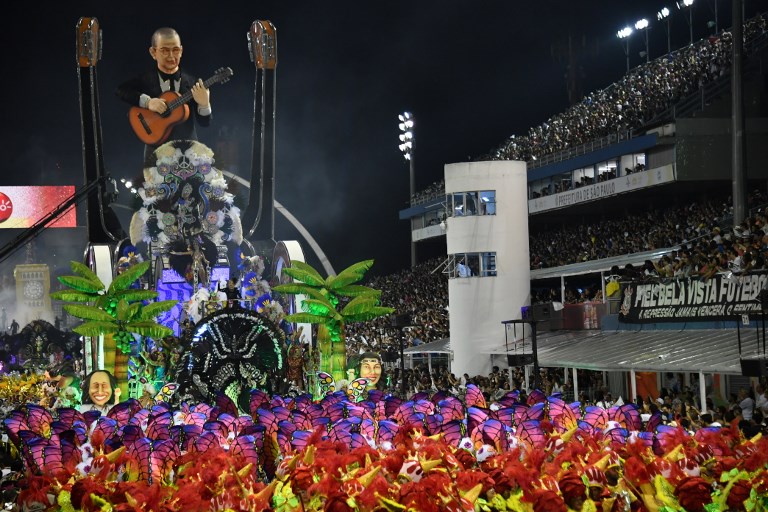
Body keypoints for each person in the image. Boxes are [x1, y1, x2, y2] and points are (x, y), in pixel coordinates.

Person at [116, 27, 212, 161]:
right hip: (155, 154)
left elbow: (204, 123)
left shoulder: (193, 83)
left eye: (175, 50)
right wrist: (148, 102)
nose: (171, 56)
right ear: (153, 52)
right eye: (165, 51)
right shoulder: (145, 79)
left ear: (181, 51)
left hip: (189, 154)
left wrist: (204, 105)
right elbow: (121, 90)